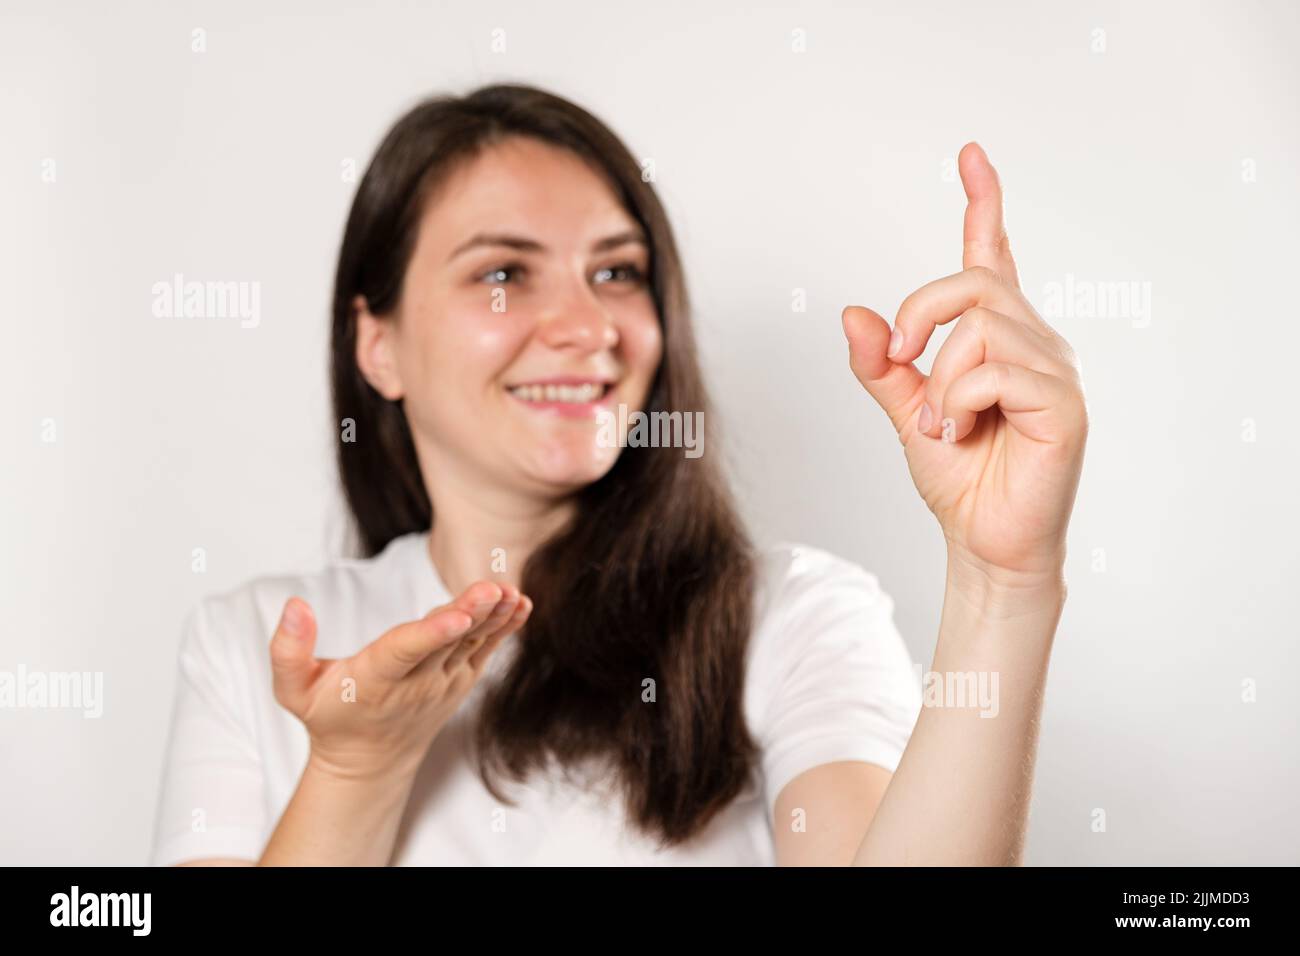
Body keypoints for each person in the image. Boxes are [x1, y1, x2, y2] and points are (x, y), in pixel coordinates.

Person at [148, 83, 1087, 867]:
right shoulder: (251, 649)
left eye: (617, 272)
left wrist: (1003, 584)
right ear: (377, 345)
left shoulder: (793, 618)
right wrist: (358, 771)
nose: (588, 327)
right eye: (504, 274)